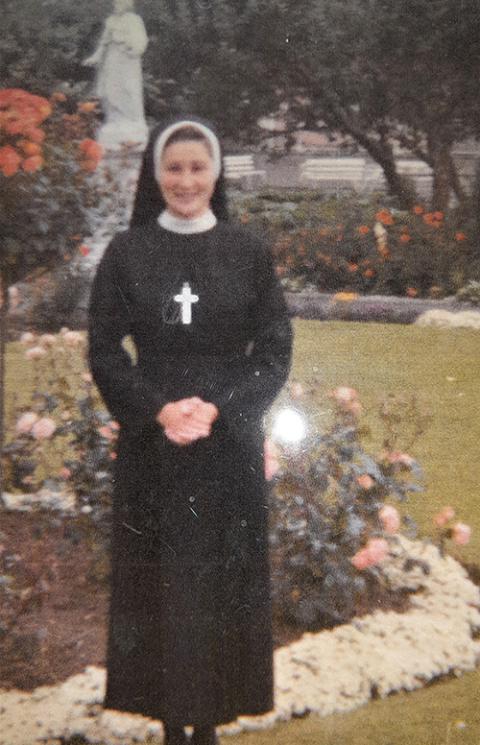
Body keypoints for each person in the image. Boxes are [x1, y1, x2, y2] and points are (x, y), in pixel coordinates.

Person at [88, 116, 293, 745]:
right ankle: (171, 722)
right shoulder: (128, 252)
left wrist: (218, 410)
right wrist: (158, 409)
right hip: (156, 448)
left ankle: (210, 722)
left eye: (197, 167)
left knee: (218, 583)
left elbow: (274, 350)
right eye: (173, 168)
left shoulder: (247, 250)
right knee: (163, 579)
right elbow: (104, 350)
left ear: (217, 173)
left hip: (225, 448)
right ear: (156, 176)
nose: (186, 180)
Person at [83, 0, 148, 147]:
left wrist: (132, 47)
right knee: (110, 89)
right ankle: (115, 120)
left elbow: (141, 41)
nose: (115, 6)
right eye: (115, 3)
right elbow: (104, 43)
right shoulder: (111, 21)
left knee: (128, 89)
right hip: (112, 60)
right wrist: (95, 57)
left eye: (119, 3)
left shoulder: (134, 20)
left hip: (127, 61)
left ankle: (132, 122)